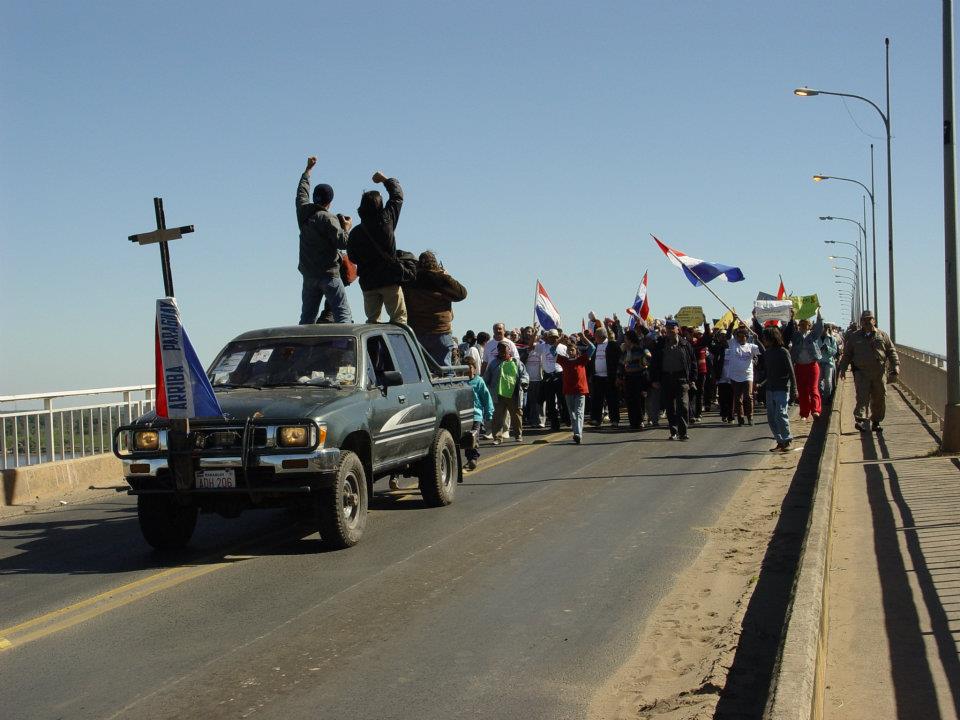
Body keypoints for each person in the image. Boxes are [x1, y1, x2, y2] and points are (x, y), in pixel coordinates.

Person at [295, 156, 353, 324]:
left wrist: (308, 170)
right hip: (329, 275)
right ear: (330, 201)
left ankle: (303, 350)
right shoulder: (329, 218)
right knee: (343, 315)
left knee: (307, 319)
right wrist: (347, 228)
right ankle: (347, 349)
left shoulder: (303, 213)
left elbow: (301, 193)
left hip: (309, 275)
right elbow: (343, 242)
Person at [347, 171, 407, 324]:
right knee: (399, 321)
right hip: (389, 279)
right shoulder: (387, 222)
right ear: (380, 205)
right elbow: (397, 196)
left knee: (372, 322)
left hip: (369, 283)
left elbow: (352, 257)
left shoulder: (356, 233)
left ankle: (373, 348)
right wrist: (385, 180)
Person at [837, 310, 900, 433]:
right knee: (862, 397)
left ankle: (876, 422)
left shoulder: (882, 335)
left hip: (879, 372)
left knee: (879, 397)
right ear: (861, 322)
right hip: (862, 373)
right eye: (865, 320)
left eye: (870, 319)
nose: (867, 322)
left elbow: (891, 351)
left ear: (874, 321)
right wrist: (843, 369)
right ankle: (860, 420)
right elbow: (847, 354)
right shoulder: (855, 337)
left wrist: (896, 365)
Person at [404, 251, 468, 367]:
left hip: (418, 331)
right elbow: (462, 293)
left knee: (420, 369)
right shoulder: (440, 278)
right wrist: (446, 276)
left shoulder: (411, 280)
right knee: (444, 371)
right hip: (441, 331)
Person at [650, 319, 697, 440]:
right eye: (668, 328)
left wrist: (692, 379)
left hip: (681, 378)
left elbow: (693, 362)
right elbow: (654, 363)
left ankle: (683, 432)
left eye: (672, 328)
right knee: (670, 407)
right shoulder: (660, 344)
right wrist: (654, 379)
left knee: (683, 406)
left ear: (677, 329)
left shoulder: (685, 344)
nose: (670, 330)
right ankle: (673, 431)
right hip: (666, 378)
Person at [482, 342, 529, 444]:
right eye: (500, 350)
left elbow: (524, 375)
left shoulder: (517, 362)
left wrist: (524, 382)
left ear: (509, 351)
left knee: (516, 416)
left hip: (513, 395)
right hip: (498, 395)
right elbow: (486, 378)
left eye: (505, 350)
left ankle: (518, 435)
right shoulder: (493, 363)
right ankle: (497, 438)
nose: (502, 352)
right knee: (497, 417)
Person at [760, 327, 799, 451]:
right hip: (770, 389)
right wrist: (760, 384)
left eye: (765, 338)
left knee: (780, 414)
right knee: (771, 417)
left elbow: (791, 371)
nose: (764, 340)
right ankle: (780, 441)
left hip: (782, 388)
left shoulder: (783, 352)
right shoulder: (767, 352)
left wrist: (794, 388)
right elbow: (768, 373)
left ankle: (787, 439)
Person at [556, 333, 595, 444]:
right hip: (568, 391)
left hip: (580, 390)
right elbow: (552, 350)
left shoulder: (582, 360)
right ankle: (576, 432)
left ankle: (578, 434)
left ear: (576, 351)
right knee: (572, 413)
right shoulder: (564, 361)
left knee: (578, 412)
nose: (570, 351)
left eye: (572, 350)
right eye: (569, 350)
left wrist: (583, 338)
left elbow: (592, 347)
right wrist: (559, 340)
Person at [790, 312, 825, 420]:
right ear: (799, 325)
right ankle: (804, 413)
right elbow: (789, 328)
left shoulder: (812, 335)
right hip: (800, 366)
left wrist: (819, 315)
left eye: (806, 324)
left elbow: (819, 328)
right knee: (802, 390)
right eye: (802, 324)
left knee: (813, 388)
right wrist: (791, 316)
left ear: (809, 326)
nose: (804, 326)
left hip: (812, 366)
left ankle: (815, 411)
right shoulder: (795, 335)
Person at [725, 321, 761, 426]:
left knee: (748, 396)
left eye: (743, 336)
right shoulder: (732, 344)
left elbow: (760, 353)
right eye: (738, 336)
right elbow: (728, 335)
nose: (740, 338)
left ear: (746, 337)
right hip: (735, 376)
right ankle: (740, 418)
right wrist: (732, 322)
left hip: (747, 376)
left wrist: (757, 340)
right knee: (737, 398)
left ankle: (750, 417)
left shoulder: (751, 346)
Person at [463, 356, 494, 472]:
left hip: (476, 415)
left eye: (471, 367)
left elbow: (486, 398)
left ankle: (473, 459)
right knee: (465, 439)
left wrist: (489, 413)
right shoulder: (461, 382)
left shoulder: (479, 381)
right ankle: (469, 458)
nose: (469, 370)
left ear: (475, 368)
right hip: (464, 415)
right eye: (466, 368)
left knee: (473, 437)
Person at [618, 329, 651, 429]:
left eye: (626, 339)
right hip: (628, 378)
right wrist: (619, 376)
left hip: (639, 377)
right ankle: (633, 422)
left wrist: (643, 363)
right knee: (630, 400)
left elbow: (648, 357)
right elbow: (620, 364)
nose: (625, 341)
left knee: (638, 400)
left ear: (630, 339)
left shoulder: (640, 349)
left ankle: (640, 420)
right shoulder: (625, 351)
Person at [591, 328, 621, 427]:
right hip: (598, 377)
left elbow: (618, 361)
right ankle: (596, 419)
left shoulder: (612, 345)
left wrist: (618, 376)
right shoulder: (595, 346)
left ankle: (615, 420)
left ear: (602, 336)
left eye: (596, 335)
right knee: (597, 399)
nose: (594, 337)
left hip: (609, 377)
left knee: (612, 399)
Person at [540, 328, 569, 430]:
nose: (553, 339)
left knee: (563, 399)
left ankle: (567, 418)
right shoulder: (543, 347)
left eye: (555, 337)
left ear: (558, 337)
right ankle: (554, 423)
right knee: (550, 402)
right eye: (551, 337)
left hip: (560, 375)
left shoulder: (563, 347)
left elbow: (568, 360)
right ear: (547, 337)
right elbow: (530, 347)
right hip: (548, 376)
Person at [818, 324, 840, 400]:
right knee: (818, 381)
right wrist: (819, 349)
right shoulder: (817, 339)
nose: (822, 331)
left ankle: (827, 398)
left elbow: (835, 351)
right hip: (819, 362)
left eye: (824, 329)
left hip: (829, 363)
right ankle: (820, 397)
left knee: (828, 381)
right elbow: (813, 350)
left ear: (827, 329)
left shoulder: (832, 339)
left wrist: (827, 348)